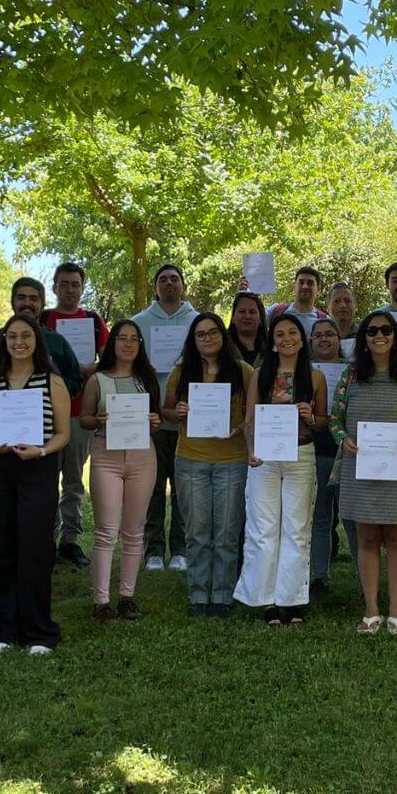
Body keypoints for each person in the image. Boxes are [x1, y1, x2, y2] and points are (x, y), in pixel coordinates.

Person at [0, 314, 71, 654]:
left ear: (36, 340)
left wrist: (41, 450)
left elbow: (63, 434)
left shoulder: (52, 382)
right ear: (4, 340)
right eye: (12, 336)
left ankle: (40, 630)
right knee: (1, 548)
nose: (19, 342)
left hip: (37, 469)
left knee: (35, 548)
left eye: (26, 335)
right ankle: (8, 628)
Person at [330, 311, 397, 635]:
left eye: (385, 330)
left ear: (394, 336)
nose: (379, 336)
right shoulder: (350, 376)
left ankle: (396, 611)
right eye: (371, 331)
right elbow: (335, 419)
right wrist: (342, 439)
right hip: (361, 468)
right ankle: (372, 610)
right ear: (363, 339)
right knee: (367, 538)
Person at [238, 314, 328, 625]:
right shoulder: (260, 374)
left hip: (301, 457)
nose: (286, 338)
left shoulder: (315, 377)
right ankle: (266, 600)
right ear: (273, 342)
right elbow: (249, 419)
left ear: (302, 340)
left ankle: (290, 600)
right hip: (264, 458)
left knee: (296, 529)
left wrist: (310, 417)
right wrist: (250, 450)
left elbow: (323, 425)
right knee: (263, 529)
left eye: (292, 332)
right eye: (279, 334)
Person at [162, 313, 253, 617]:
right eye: (201, 334)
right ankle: (199, 595)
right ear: (193, 340)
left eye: (213, 332)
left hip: (232, 461)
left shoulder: (243, 371)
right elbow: (168, 412)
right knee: (197, 533)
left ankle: (223, 596)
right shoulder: (182, 371)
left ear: (223, 336)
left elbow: (252, 417)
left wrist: (238, 430)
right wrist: (179, 411)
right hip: (191, 460)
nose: (207, 339)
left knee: (227, 533)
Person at [81, 319, 161, 623]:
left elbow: (154, 417)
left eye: (134, 339)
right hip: (106, 456)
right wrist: (98, 419)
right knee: (105, 531)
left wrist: (153, 422)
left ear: (140, 345)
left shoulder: (146, 379)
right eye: (122, 338)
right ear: (112, 343)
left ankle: (127, 597)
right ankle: (101, 601)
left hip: (142, 456)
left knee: (134, 531)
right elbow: (84, 419)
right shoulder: (97, 380)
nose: (128, 344)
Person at [40, 262, 110, 568]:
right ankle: (46, 539)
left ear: (83, 288)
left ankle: (70, 539)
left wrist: (87, 369)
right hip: (44, 412)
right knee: (45, 478)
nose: (70, 290)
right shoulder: (42, 320)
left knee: (73, 479)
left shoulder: (93, 321)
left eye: (75, 284)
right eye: (64, 284)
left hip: (80, 410)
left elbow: (110, 357)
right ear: (54, 287)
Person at [132, 264, 200, 572]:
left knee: (185, 488)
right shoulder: (139, 324)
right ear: (155, 287)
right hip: (152, 420)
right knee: (154, 487)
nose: (169, 284)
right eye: (163, 279)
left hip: (191, 420)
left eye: (174, 279)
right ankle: (154, 550)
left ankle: (182, 549)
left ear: (183, 285)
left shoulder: (198, 322)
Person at [0, 277, 82, 399]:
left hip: (47, 414)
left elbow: (75, 381)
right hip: (0, 412)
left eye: (34, 299)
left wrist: (47, 388)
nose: (27, 303)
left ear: (43, 304)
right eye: (21, 298)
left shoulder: (57, 341)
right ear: (12, 302)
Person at [306, 317, 354, 588]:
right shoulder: (304, 372)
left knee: (352, 519)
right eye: (318, 335)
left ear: (339, 339)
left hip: (348, 453)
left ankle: (363, 577)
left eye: (330, 334)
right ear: (311, 342)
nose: (324, 339)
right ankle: (320, 577)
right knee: (320, 518)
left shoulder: (354, 370)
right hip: (315, 451)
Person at [266, 266, 329, 335]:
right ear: (294, 287)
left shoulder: (324, 320)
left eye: (310, 283)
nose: (305, 286)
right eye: (301, 282)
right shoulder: (275, 311)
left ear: (319, 290)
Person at [229, 291, 268, 368]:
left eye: (252, 312)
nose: (247, 316)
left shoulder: (273, 348)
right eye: (242, 311)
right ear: (233, 317)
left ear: (260, 318)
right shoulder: (221, 346)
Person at [325, 281, 360, 358]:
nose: (343, 305)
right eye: (336, 301)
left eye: (347, 301)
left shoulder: (365, 335)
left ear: (355, 307)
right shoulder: (320, 338)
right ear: (328, 307)